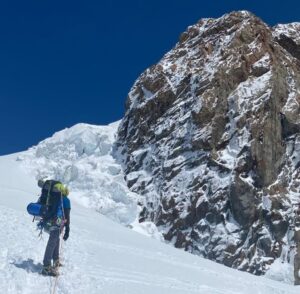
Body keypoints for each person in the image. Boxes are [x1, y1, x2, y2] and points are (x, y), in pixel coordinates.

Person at [37, 179, 71, 277]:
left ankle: (55, 260)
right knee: (53, 241)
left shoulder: (53, 196)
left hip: (48, 219)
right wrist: (67, 229)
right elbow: (67, 215)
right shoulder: (65, 200)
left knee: (55, 239)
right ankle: (46, 266)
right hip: (57, 221)